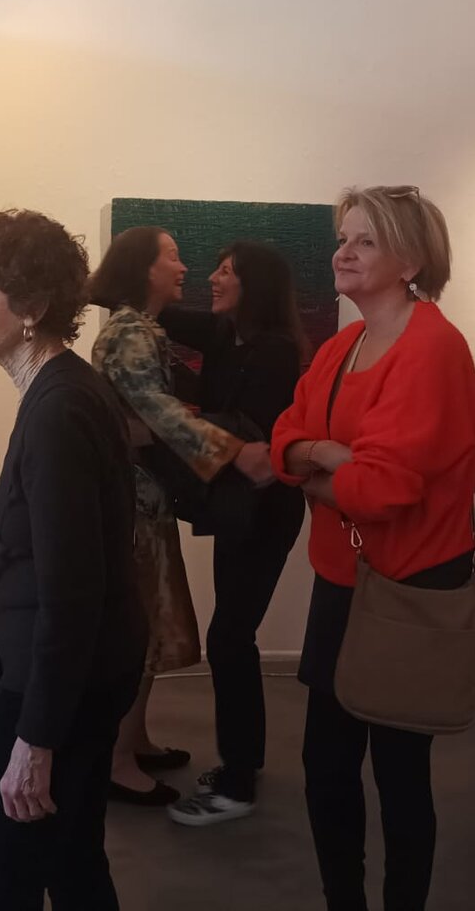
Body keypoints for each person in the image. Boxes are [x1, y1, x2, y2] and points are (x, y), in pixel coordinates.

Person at [271, 185, 475, 911]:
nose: (344, 253)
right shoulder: (342, 346)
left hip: (408, 587)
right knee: (325, 764)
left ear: (411, 260)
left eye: (365, 241)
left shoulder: (432, 347)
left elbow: (383, 490)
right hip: (342, 579)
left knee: (398, 773)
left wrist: (320, 464)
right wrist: (323, 457)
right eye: (343, 238)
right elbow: (284, 440)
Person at [0, 209, 146, 910]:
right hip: (74, 676)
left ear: (29, 308)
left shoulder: (59, 410)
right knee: (72, 861)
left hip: (56, 688)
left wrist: (36, 739)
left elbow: (72, 591)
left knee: (3, 882)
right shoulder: (62, 392)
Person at [88, 226, 275, 805]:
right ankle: (117, 761)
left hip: (146, 496)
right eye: (172, 257)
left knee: (147, 621)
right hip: (133, 501)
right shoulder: (131, 332)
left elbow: (156, 412)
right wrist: (235, 449)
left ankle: (133, 741)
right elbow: (158, 410)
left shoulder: (141, 329)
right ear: (145, 269)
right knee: (139, 627)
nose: (186, 268)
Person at [155, 241, 309, 826]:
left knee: (228, 639)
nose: (212, 279)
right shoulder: (225, 334)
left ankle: (238, 782)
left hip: (266, 513)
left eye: (226, 272)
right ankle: (244, 762)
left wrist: (169, 421)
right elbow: (162, 310)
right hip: (237, 510)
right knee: (232, 638)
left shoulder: (274, 351)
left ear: (254, 286)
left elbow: (251, 434)